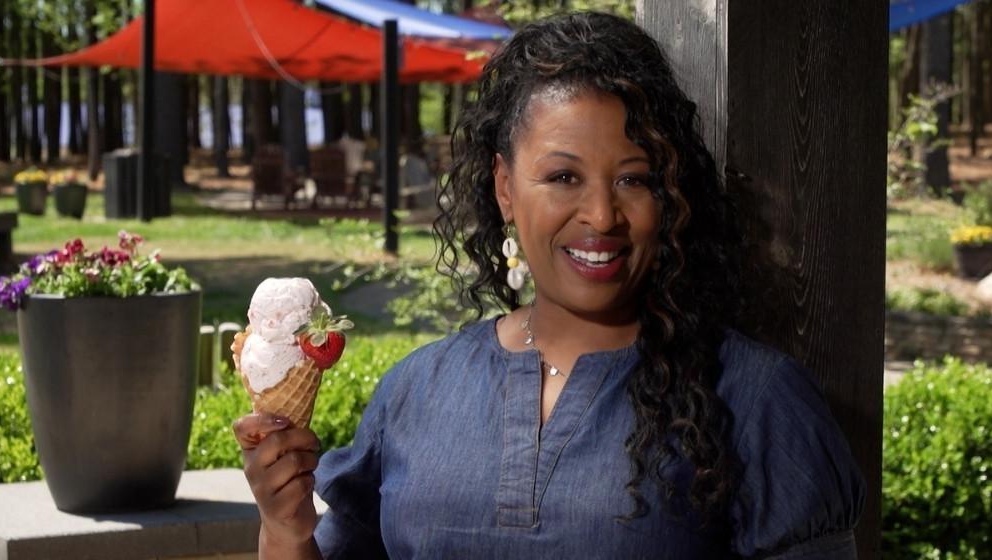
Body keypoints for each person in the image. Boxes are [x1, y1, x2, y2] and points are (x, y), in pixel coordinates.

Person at [233, 12, 864, 559]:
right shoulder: (415, 393)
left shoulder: (756, 400)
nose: (601, 215)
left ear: (669, 196)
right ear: (505, 187)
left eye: (634, 179)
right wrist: (286, 531)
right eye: (563, 177)